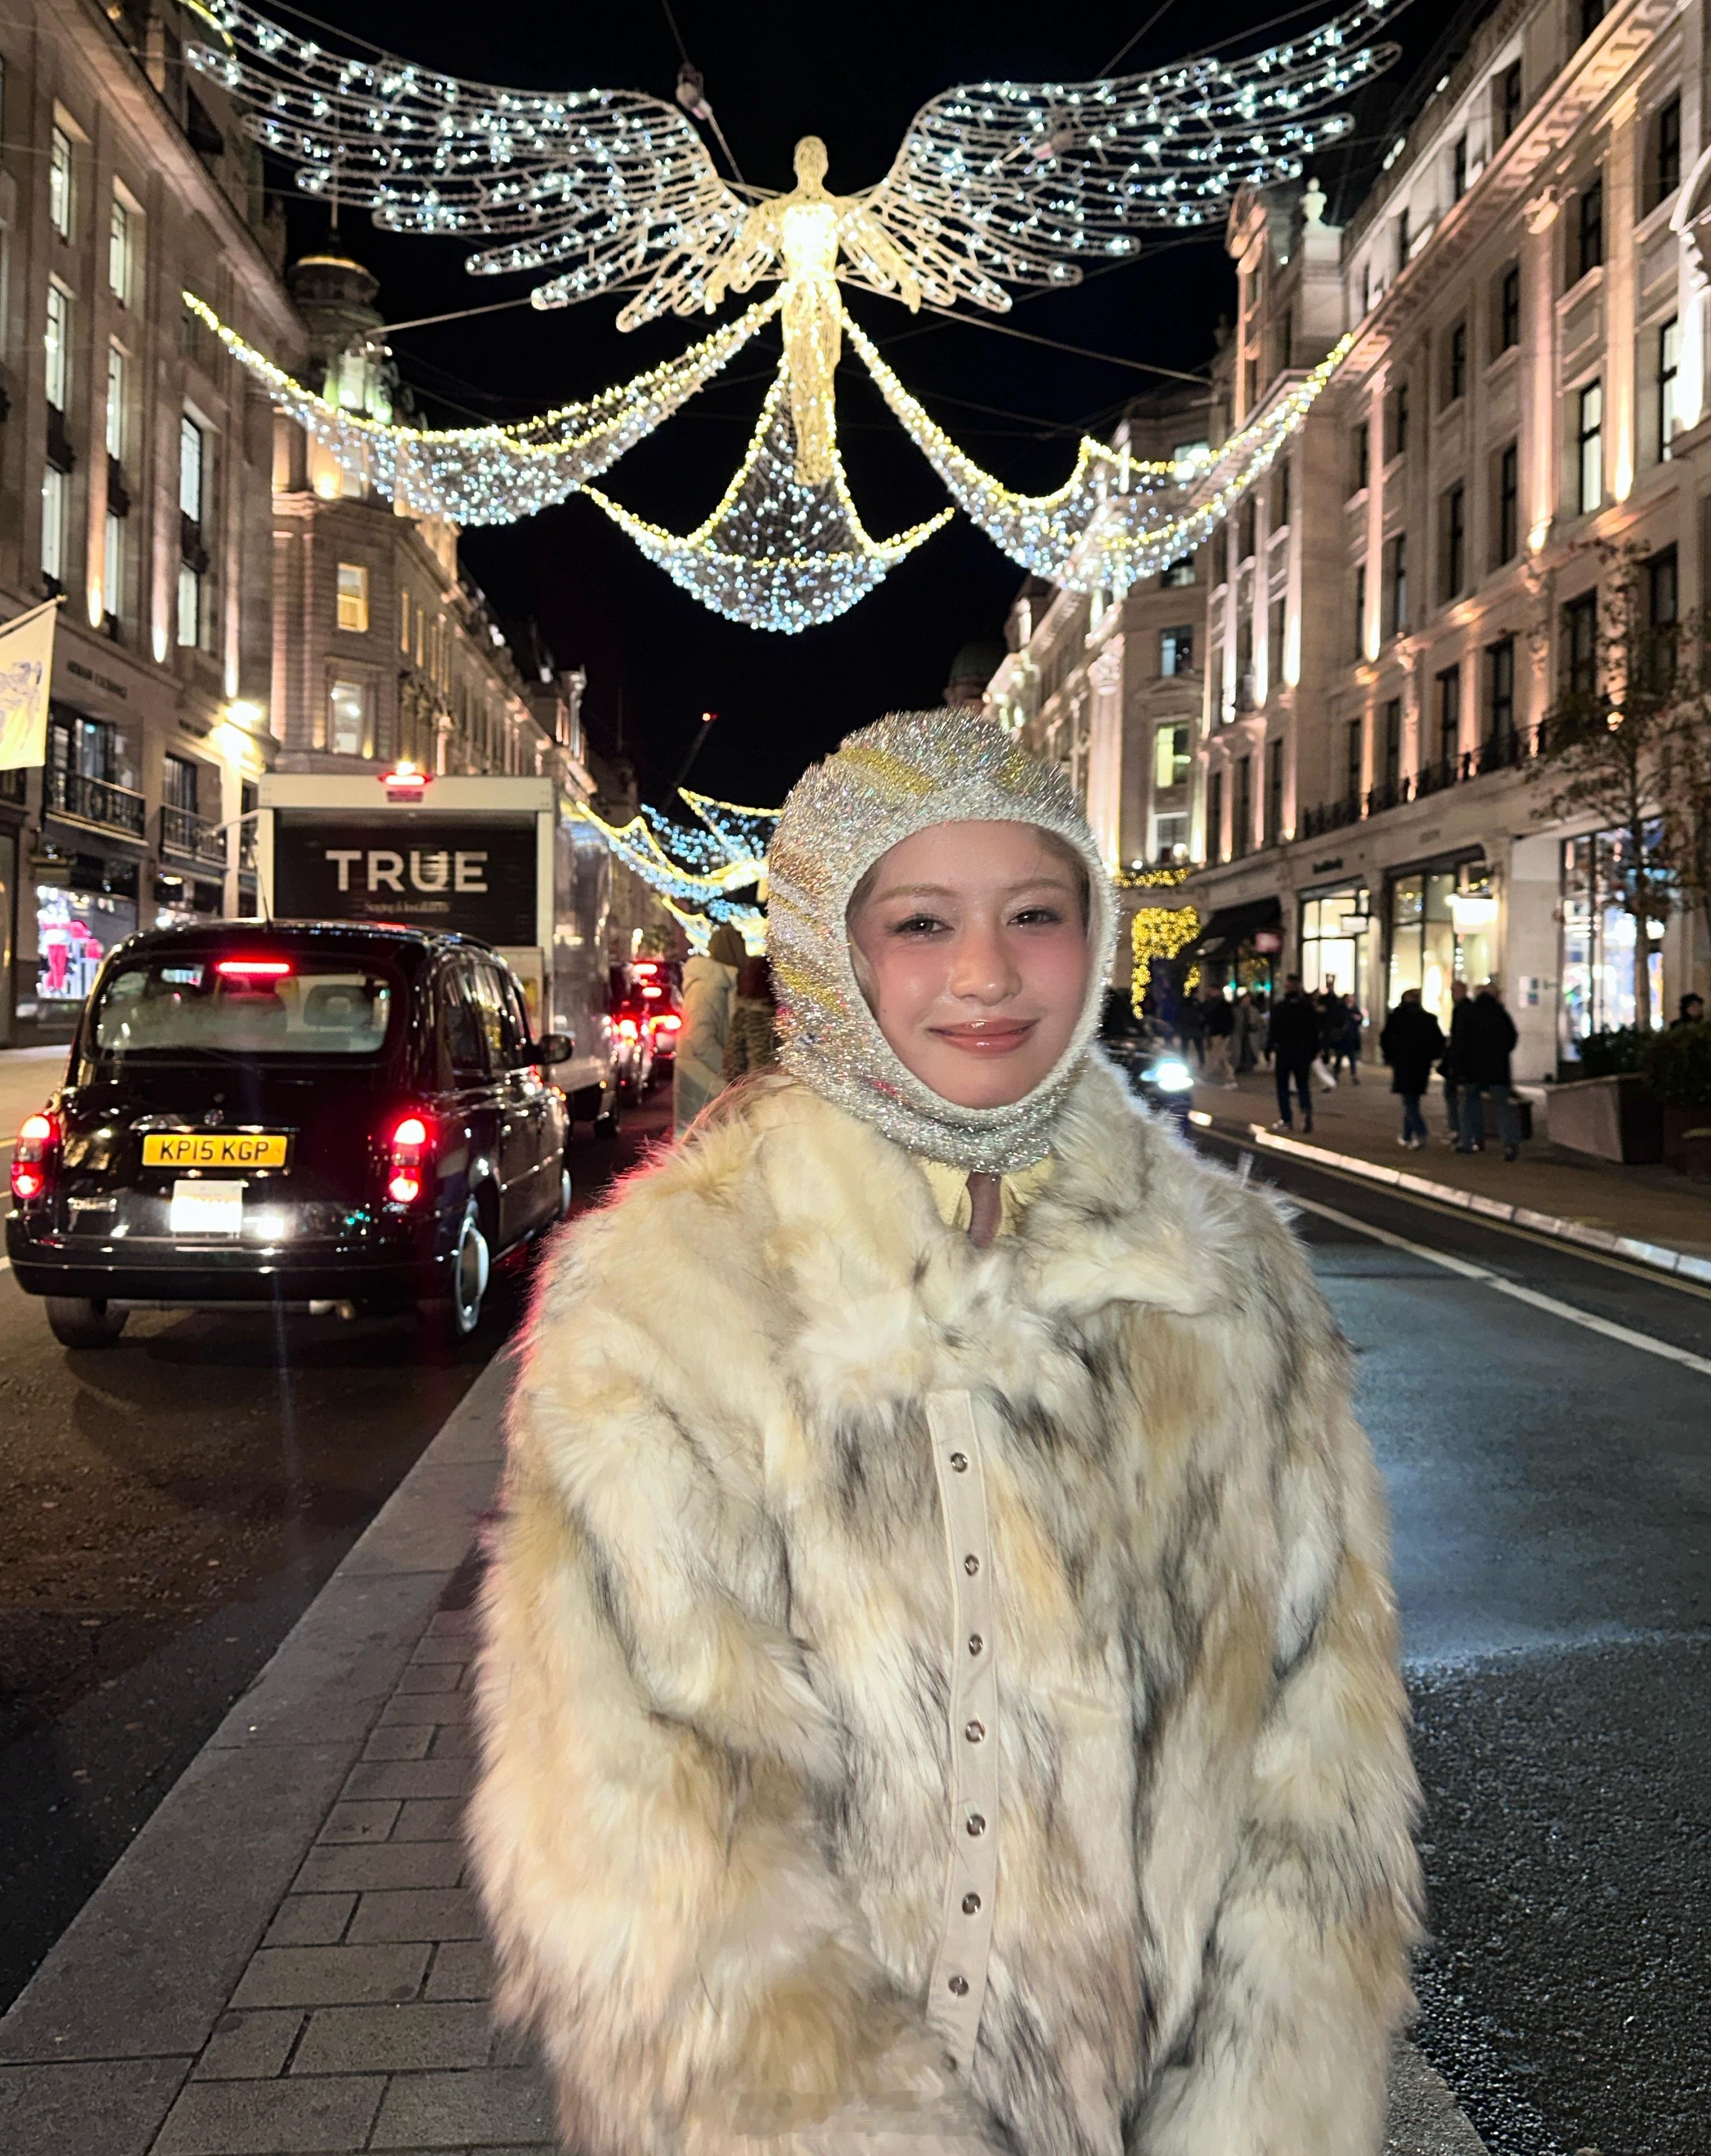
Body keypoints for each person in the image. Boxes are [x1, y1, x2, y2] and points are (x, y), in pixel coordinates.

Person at [470, 713, 1421, 2156]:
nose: (987, 972)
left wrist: (1257, 2105)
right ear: (834, 955)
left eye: (1036, 914)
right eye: (923, 922)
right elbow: (632, 1824)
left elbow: (1323, 1753)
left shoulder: (1232, 1282)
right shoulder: (673, 1293)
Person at [672, 920, 745, 1135]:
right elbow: (700, 1039)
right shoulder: (708, 986)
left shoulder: (720, 985)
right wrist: (731, 1072)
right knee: (701, 1142)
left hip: (709, 1081)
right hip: (704, 1082)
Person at [1456, 979, 1521, 1159]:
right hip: (1498, 1069)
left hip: (1473, 1068)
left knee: (1470, 1104)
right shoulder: (1501, 1014)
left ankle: (1469, 1141)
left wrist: (1460, 1068)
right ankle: (1509, 1144)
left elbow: (1461, 1042)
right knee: (1502, 1106)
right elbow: (1511, 1039)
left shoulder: (1471, 1013)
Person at [1379, 988, 1446, 1149]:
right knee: (1412, 1099)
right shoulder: (1428, 1019)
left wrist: (1391, 1056)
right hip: (1421, 1066)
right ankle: (1407, 1134)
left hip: (1403, 1064)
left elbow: (1386, 1039)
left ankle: (1420, 1132)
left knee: (1409, 1101)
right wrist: (1431, 1057)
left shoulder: (1397, 1017)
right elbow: (1439, 1042)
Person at [1267, 970, 1320, 1131]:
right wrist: (1314, 1051)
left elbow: (1274, 1031)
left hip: (1285, 1051)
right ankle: (1306, 1111)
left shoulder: (1281, 1007)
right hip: (1303, 1052)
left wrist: (1270, 1049)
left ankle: (1287, 1119)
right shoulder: (1307, 1008)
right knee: (1303, 1085)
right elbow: (1314, 1031)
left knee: (1283, 1087)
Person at [724, 953, 781, 1079]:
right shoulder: (786, 1016)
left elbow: (733, 1061)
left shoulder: (744, 1015)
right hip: (785, 1084)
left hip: (757, 1083)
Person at [1442, 977, 1472, 1143]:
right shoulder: (1464, 1008)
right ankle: (1460, 1131)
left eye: (1454, 991)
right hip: (1462, 1062)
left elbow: (1460, 1039)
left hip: (1460, 1063)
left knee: (1456, 1097)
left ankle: (1458, 1131)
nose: (1452, 994)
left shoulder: (1462, 1010)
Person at [1200, 983, 1237, 1086]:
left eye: (1212, 991)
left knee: (1215, 1054)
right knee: (1221, 1056)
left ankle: (1208, 1074)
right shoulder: (1210, 1004)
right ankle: (1229, 1076)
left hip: (1221, 1033)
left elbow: (1229, 1020)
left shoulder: (1223, 1005)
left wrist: (1226, 1033)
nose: (1210, 993)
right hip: (1214, 1032)